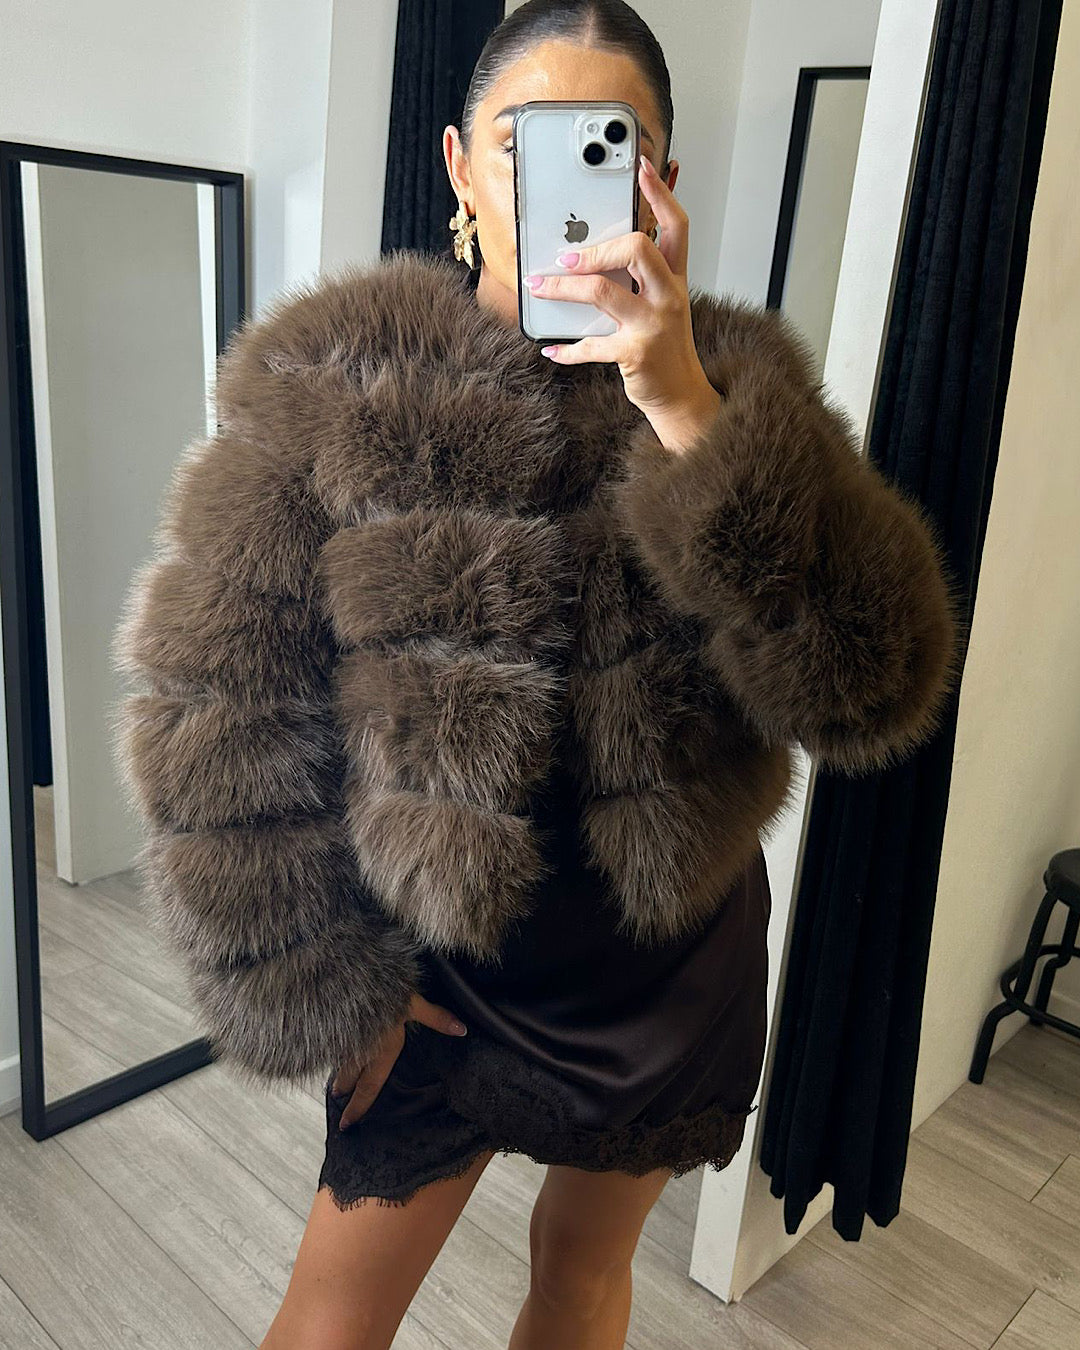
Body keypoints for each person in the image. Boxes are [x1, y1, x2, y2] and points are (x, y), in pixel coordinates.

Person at [109, 2, 962, 1346]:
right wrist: (324, 975)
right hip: (438, 972)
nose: (560, 186)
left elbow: (874, 685)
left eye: (611, 145)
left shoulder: (738, 386)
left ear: (660, 178)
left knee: (580, 1275)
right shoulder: (339, 379)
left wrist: (686, 412)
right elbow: (217, 707)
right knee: (330, 1322)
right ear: (460, 167)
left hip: (664, 969)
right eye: (523, 143)